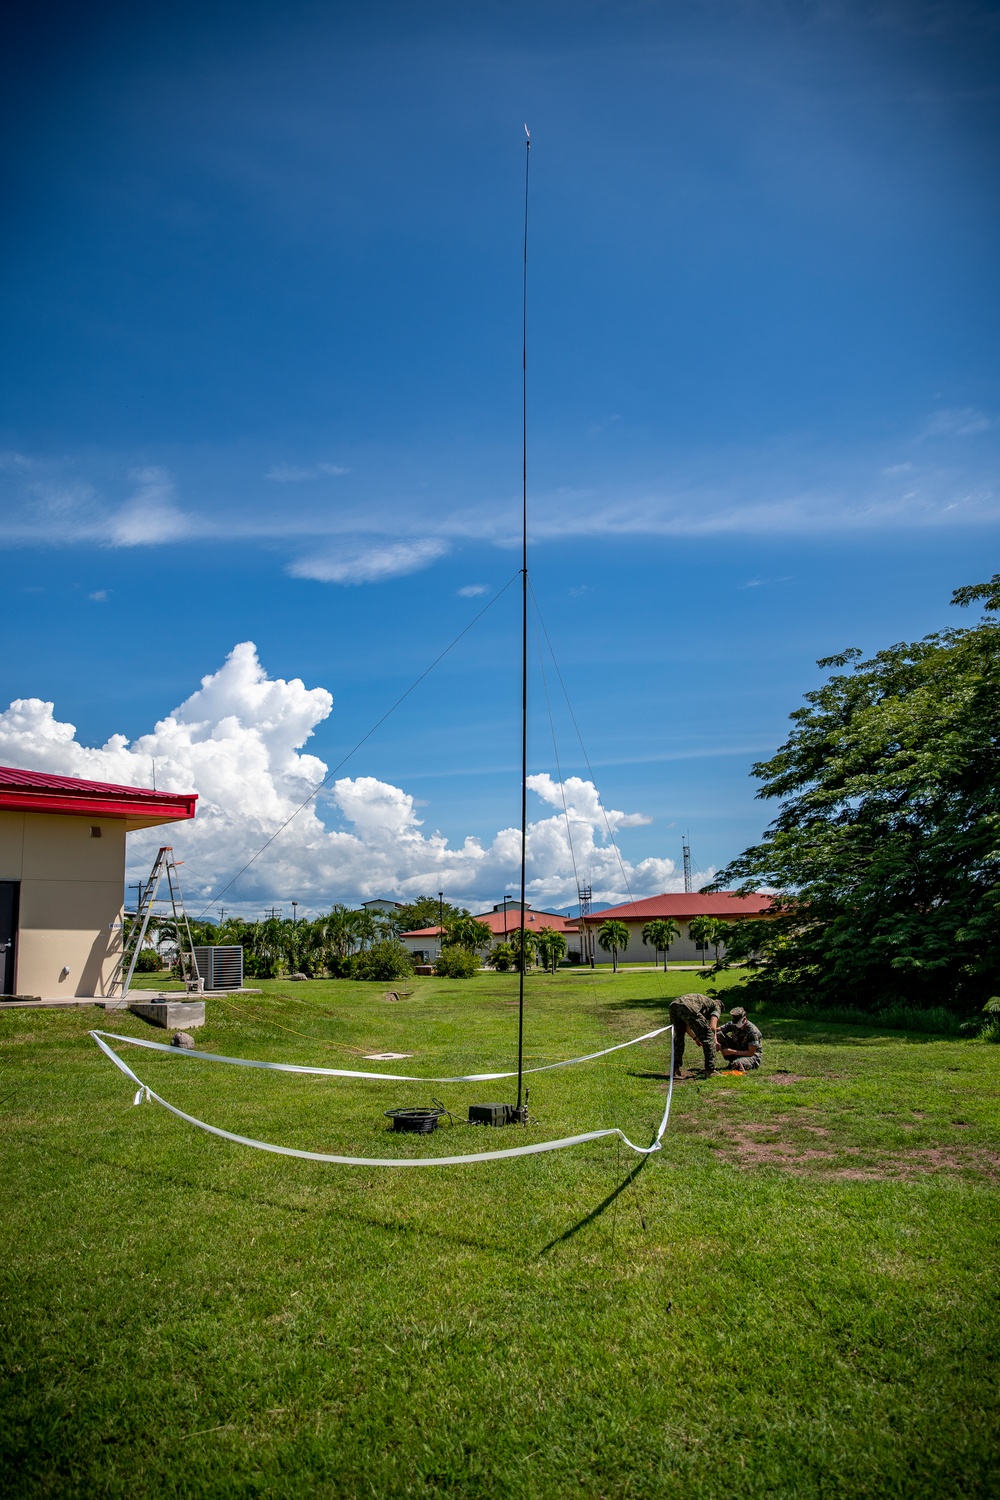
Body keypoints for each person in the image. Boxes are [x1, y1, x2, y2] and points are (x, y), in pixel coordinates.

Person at [668, 992, 722, 1078]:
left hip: (674, 1005)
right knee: (708, 1036)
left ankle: (674, 1068)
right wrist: (715, 1042)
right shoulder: (716, 1006)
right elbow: (712, 1027)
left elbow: (686, 1027)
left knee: (679, 1036)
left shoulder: (705, 1002)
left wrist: (696, 1038)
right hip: (688, 1006)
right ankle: (710, 1070)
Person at [716, 1005, 763, 1072]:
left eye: (737, 1022)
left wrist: (732, 1052)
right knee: (718, 1035)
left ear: (744, 1019)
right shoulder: (733, 1024)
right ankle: (734, 1061)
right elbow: (717, 1030)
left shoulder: (753, 1032)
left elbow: (751, 1053)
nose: (736, 1024)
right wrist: (715, 1041)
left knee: (737, 1064)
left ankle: (737, 1063)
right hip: (736, 1050)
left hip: (751, 1057)